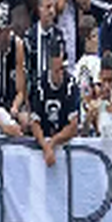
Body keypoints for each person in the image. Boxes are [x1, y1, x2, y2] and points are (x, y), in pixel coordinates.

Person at [28, 36, 79, 166]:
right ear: (50, 68)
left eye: (62, 69)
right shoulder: (41, 85)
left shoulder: (70, 84)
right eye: (57, 71)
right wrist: (45, 147)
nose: (60, 74)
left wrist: (53, 142)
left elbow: (73, 126)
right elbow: (34, 123)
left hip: (62, 141)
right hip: (45, 140)